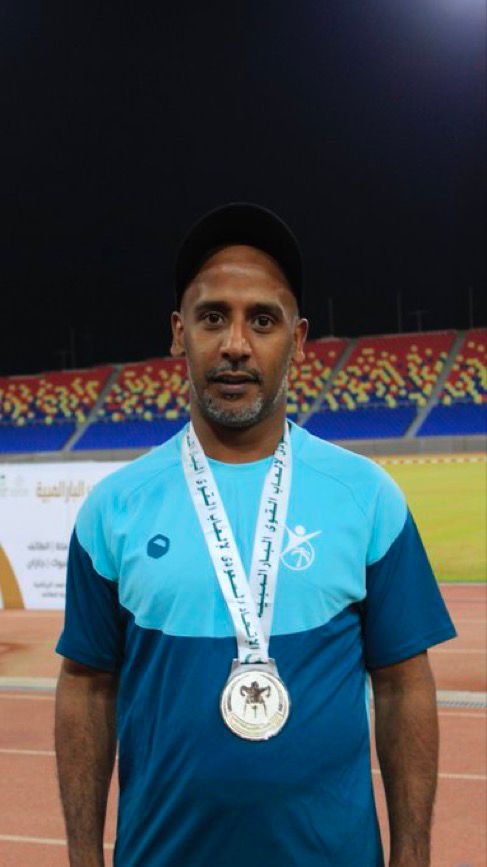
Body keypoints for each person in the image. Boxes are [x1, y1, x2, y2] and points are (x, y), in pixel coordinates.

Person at [55, 202, 456, 867]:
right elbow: (85, 686)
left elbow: (403, 684)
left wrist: (412, 855)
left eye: (262, 320)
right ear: (179, 333)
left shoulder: (367, 497)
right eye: (212, 317)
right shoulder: (113, 507)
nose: (235, 344)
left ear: (297, 340)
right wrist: (80, 858)